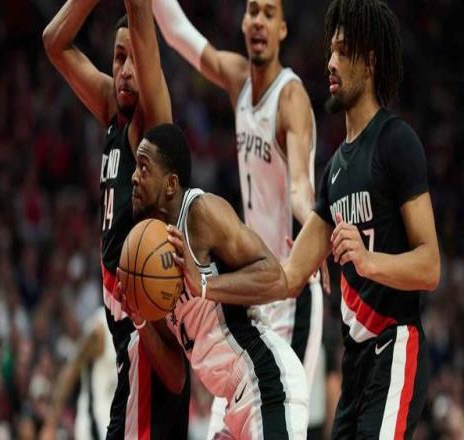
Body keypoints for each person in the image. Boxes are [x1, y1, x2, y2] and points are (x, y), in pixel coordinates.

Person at [150, 0, 329, 433]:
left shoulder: (291, 97)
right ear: (243, 22)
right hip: (251, 283)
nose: (259, 21)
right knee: (230, 424)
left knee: (283, 422)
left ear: (283, 29)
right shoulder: (237, 79)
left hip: (290, 286)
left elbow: (301, 187)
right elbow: (176, 32)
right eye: (253, 11)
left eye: (269, 13)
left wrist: (317, 227)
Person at [283, 0, 440, 437]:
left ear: (369, 61)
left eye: (343, 51)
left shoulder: (396, 141)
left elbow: (430, 266)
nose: (330, 63)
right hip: (354, 363)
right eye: (330, 51)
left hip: (396, 344)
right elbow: (289, 275)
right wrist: (210, 277)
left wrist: (369, 262)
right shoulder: (334, 168)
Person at [42, 0, 189, 438]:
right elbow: (54, 42)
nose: (125, 70)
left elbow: (140, 12)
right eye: (117, 57)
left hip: (148, 333)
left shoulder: (150, 123)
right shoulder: (112, 110)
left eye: (134, 59)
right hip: (127, 342)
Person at [119, 122, 309, 439]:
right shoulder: (150, 256)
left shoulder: (201, 213)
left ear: (170, 184)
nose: (134, 177)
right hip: (228, 401)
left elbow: (275, 278)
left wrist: (205, 285)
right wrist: (140, 320)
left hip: (263, 380)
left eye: (144, 167)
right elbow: (177, 376)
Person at [40, 308, 116, 439]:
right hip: (96, 424)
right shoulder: (101, 327)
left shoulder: (138, 323)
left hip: (120, 419)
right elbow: (71, 369)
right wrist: (50, 423)